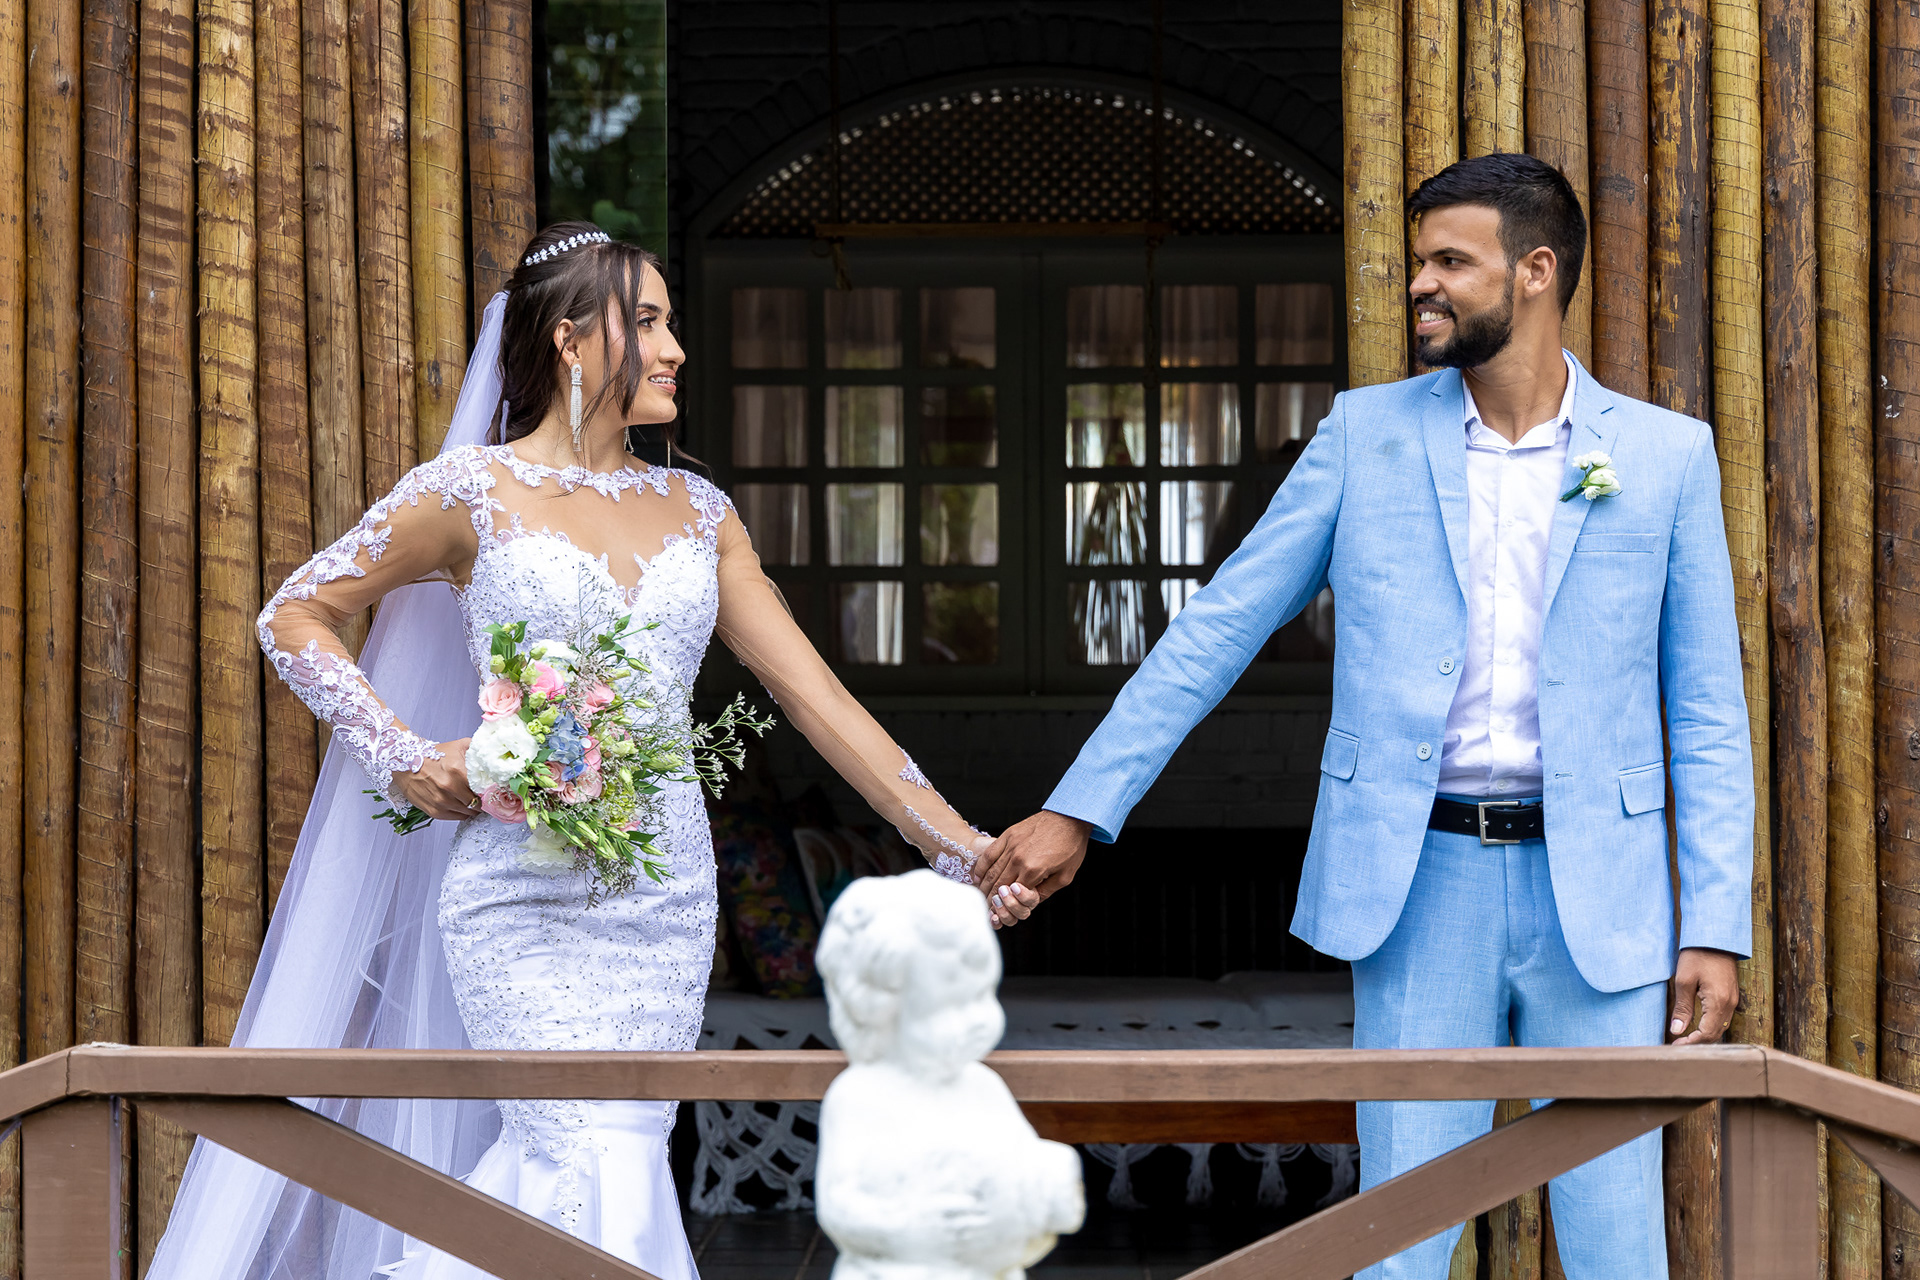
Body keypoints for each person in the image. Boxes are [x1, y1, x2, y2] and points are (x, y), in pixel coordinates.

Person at [148, 223, 1038, 1280]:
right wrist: (404, 755)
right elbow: (295, 613)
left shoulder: (700, 513)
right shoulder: (467, 491)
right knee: (576, 1153)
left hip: (663, 899)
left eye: (670, 323)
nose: (675, 349)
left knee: (622, 1154)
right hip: (515, 895)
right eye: (648, 322)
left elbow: (819, 700)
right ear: (570, 341)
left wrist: (958, 848)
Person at [973, 154, 1753, 1277]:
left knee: (1616, 1243)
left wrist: (1713, 922)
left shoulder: (1666, 455)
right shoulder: (1361, 435)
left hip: (1610, 899)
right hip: (1417, 882)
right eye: (1418, 260)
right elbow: (1218, 628)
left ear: (1535, 271)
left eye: (1451, 261)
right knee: (1401, 1241)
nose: (1420, 284)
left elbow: (1709, 712)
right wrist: (1079, 807)